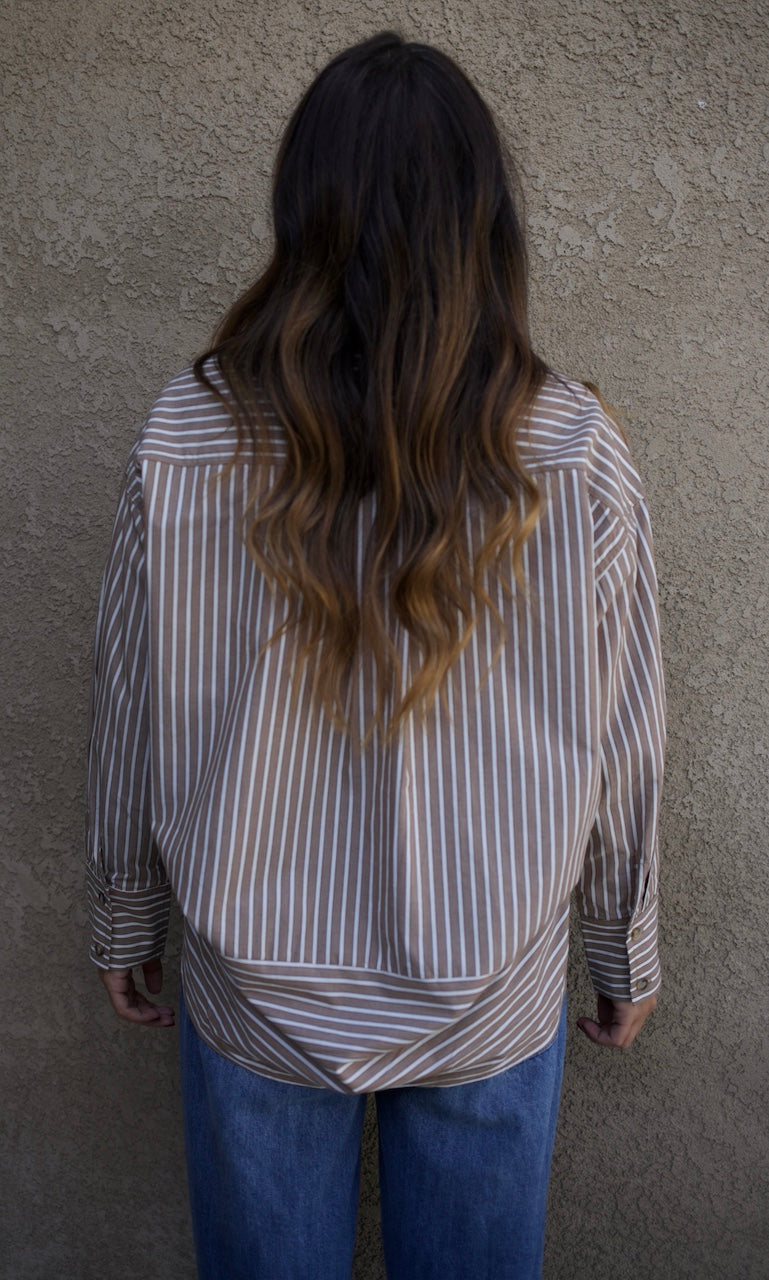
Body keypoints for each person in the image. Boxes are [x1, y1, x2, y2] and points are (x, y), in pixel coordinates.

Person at [86, 31, 664, 1280]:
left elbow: (129, 699)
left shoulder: (188, 432)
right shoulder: (573, 448)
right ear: (484, 221)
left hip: (253, 984)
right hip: (491, 983)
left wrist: (127, 905)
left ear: (304, 210)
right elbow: (627, 731)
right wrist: (623, 939)